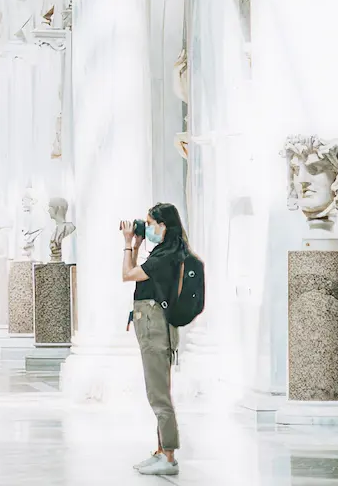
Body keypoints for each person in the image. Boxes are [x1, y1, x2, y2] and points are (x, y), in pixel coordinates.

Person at [122, 203, 188, 477]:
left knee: (159, 395)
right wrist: (137, 246)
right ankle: (160, 451)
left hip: (156, 328)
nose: (146, 228)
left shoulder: (165, 257)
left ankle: (169, 456)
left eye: (150, 223)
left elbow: (127, 275)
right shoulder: (166, 252)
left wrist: (127, 245)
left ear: (164, 225)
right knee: (156, 390)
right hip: (153, 325)